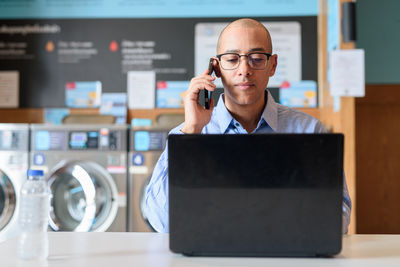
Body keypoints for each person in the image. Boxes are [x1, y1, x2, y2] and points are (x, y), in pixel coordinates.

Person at [144, 18, 351, 234]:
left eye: (257, 58)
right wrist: (191, 133)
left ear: (273, 65)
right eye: (232, 59)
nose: (244, 70)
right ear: (215, 67)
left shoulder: (309, 131)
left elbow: (338, 216)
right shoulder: (187, 133)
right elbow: (162, 221)